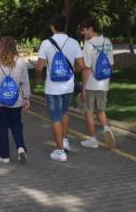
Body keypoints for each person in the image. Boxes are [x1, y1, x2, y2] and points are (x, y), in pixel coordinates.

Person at [36, 14, 84, 162]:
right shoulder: (74, 43)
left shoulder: (46, 43)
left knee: (55, 117)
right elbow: (82, 66)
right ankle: (64, 140)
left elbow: (39, 67)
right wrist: (72, 70)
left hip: (52, 87)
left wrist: (38, 78)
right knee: (64, 112)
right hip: (68, 86)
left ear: (52, 27)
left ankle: (60, 151)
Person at [0, 36, 30, 164]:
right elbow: (25, 81)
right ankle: (20, 147)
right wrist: (26, 97)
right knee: (16, 124)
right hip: (16, 101)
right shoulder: (21, 62)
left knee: (2, 127)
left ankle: (4, 155)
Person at [80, 19, 116, 149]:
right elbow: (111, 65)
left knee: (89, 111)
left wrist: (83, 88)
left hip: (91, 84)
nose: (83, 33)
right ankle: (106, 128)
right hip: (104, 83)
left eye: (84, 30)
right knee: (100, 110)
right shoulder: (107, 41)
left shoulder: (89, 44)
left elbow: (87, 68)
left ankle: (93, 139)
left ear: (90, 28)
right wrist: (107, 83)